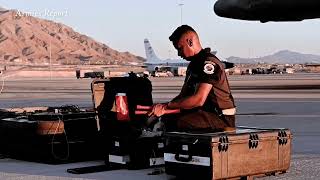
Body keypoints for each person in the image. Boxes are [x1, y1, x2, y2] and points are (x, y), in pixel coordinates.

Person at [149, 25, 236, 132]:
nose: (178, 53)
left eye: (180, 48)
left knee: (176, 123)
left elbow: (198, 99)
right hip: (203, 114)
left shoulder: (208, 63)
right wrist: (161, 107)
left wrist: (168, 106)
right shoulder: (194, 65)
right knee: (161, 119)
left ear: (190, 42)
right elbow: (183, 96)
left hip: (220, 118)